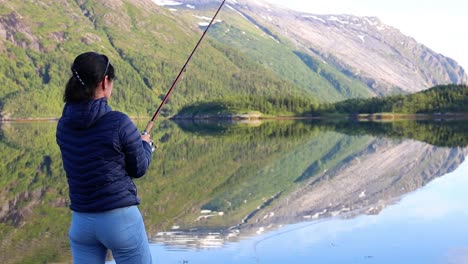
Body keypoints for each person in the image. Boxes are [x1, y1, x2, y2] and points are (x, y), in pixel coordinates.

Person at [56, 52, 154, 264]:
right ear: (104, 82)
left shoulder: (63, 125)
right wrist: (146, 144)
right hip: (120, 222)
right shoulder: (119, 122)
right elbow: (139, 168)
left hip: (81, 223)